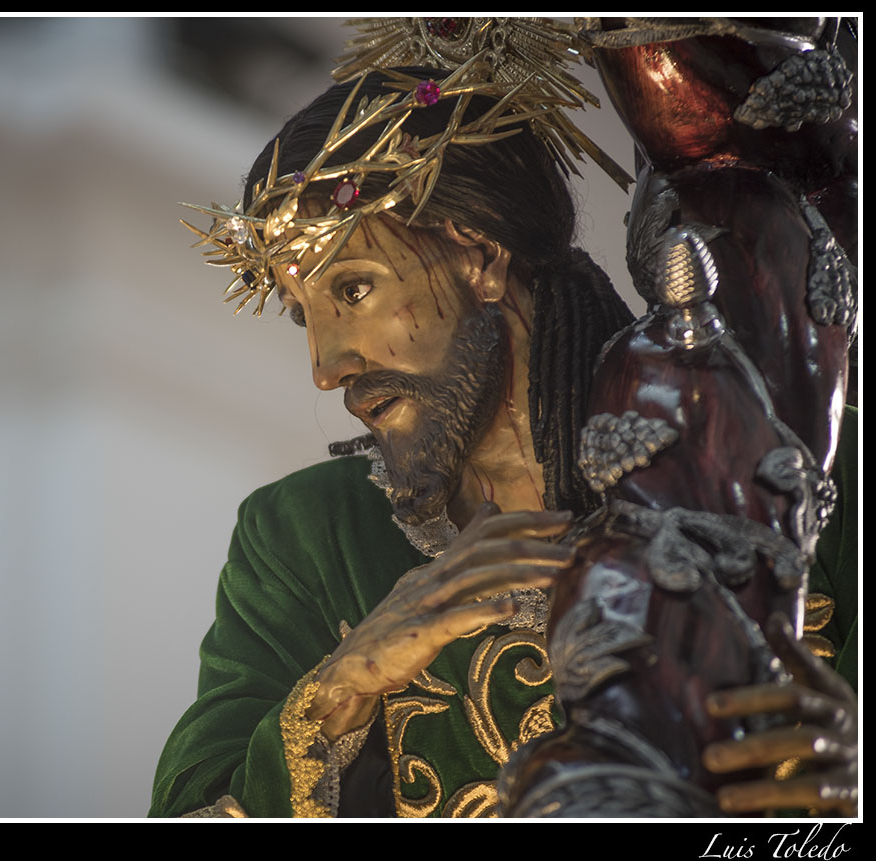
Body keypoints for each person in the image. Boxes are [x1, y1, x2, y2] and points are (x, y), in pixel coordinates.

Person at [152, 20, 855, 819]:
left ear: (479, 255)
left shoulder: (806, 450)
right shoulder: (308, 538)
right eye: (300, 314)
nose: (325, 365)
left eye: (352, 289)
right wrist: (342, 685)